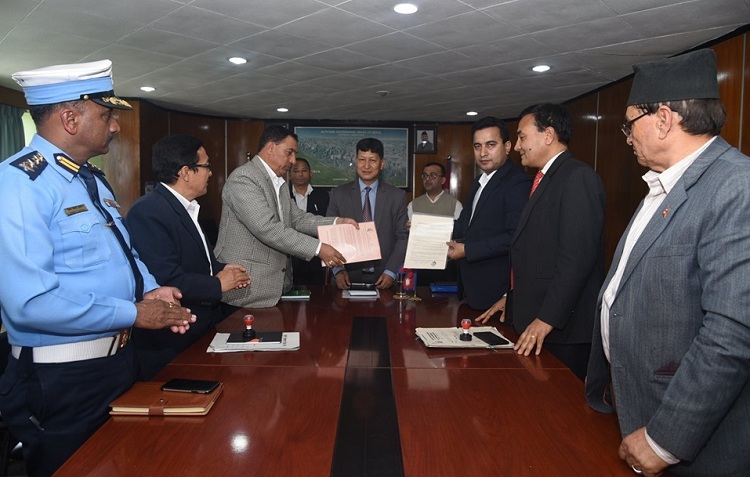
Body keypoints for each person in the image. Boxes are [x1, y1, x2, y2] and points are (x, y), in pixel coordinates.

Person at [0, 60, 195, 476]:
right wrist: (134, 313)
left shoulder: (91, 178)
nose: (115, 126)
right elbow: (30, 304)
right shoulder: (19, 185)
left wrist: (149, 289)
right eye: (106, 115)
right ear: (70, 119)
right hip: (62, 379)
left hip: (117, 363)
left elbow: (123, 251)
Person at [586, 49, 750, 476]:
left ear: (662, 119)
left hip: (689, 437)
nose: (627, 137)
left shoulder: (736, 186)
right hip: (638, 407)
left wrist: (666, 439)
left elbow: (732, 334)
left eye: (630, 124)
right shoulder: (664, 185)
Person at [476, 103, 605, 380]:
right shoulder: (544, 178)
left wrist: (547, 318)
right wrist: (512, 298)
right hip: (538, 320)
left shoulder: (577, 177)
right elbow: (537, 252)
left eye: (522, 137)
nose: (517, 146)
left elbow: (577, 259)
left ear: (548, 135)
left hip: (563, 330)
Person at [126, 134, 251, 379]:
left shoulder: (186, 208)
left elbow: (196, 263)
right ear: (186, 172)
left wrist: (223, 270)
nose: (210, 173)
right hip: (171, 342)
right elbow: (165, 278)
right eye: (206, 166)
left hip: (200, 330)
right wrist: (217, 284)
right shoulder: (148, 211)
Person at [214, 125, 356, 308]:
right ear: (270, 147)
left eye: (294, 154)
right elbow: (266, 228)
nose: (293, 160)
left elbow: (297, 219)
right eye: (289, 153)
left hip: (275, 288)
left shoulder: (279, 183)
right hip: (246, 288)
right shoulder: (244, 178)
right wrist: (318, 248)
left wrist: (337, 222)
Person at [448, 117, 530, 310]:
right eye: (477, 146)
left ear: (507, 147)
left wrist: (467, 250)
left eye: (490, 145)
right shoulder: (479, 183)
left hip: (497, 292)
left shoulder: (517, 182)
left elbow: (514, 237)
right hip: (471, 289)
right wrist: (424, 228)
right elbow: (463, 226)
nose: (483, 153)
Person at [327, 137, 408, 290]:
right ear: (355, 161)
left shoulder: (396, 196)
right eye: (362, 159)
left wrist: (391, 271)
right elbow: (330, 236)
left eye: (373, 160)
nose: (366, 166)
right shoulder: (338, 194)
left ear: (382, 164)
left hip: (384, 278)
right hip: (346, 277)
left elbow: (403, 237)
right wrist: (338, 270)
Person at [288, 157, 329, 285]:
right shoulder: (284, 195)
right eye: (296, 171)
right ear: (290, 175)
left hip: (316, 256)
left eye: (304, 170)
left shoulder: (322, 195)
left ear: (311, 174)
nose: (300, 174)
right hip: (290, 254)